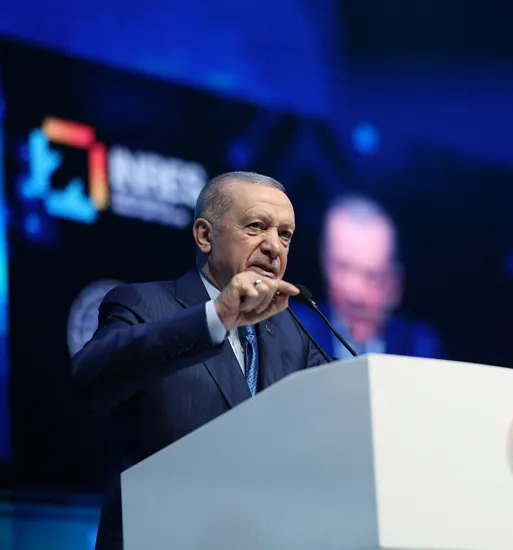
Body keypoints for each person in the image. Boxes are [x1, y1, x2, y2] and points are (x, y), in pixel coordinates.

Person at [70, 172, 327, 550]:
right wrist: (215, 318)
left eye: (285, 234)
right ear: (205, 236)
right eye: (256, 226)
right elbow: (88, 380)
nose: (275, 247)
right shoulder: (144, 305)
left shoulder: (292, 331)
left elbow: (339, 409)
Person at [294, 194, 444, 359]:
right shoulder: (293, 333)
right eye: (343, 268)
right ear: (324, 262)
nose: (354, 293)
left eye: (372, 276)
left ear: (395, 283)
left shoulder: (420, 349)